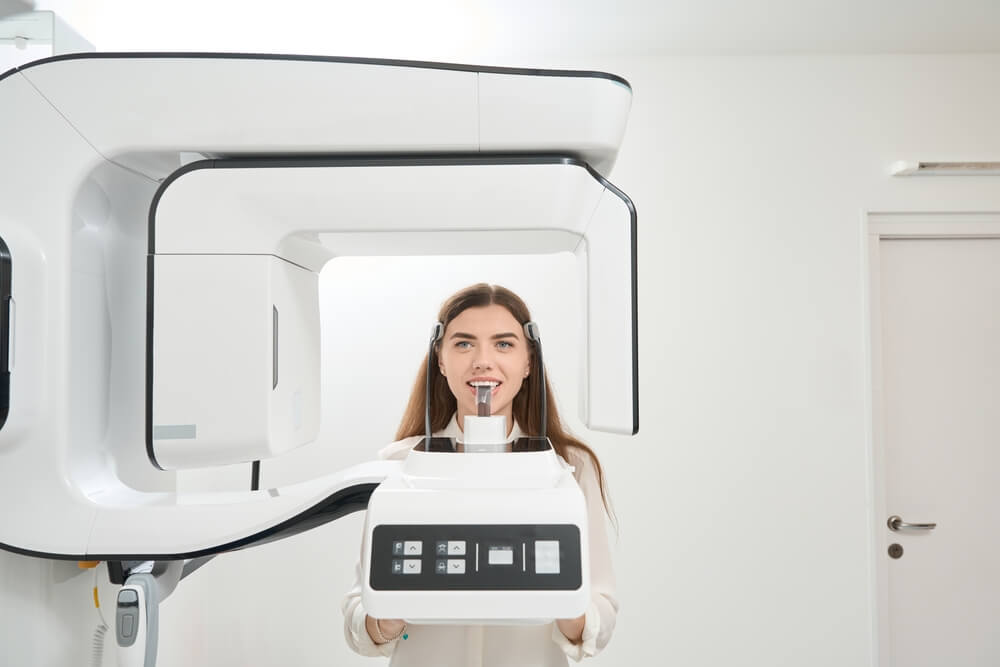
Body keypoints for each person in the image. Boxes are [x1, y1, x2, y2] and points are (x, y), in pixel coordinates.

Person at [342, 283, 618, 666]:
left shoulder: (570, 467)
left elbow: (600, 614)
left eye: (503, 344)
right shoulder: (398, 465)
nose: (482, 361)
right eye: (464, 344)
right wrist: (388, 614)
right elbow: (359, 619)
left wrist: (564, 598)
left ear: (528, 362)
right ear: (440, 359)